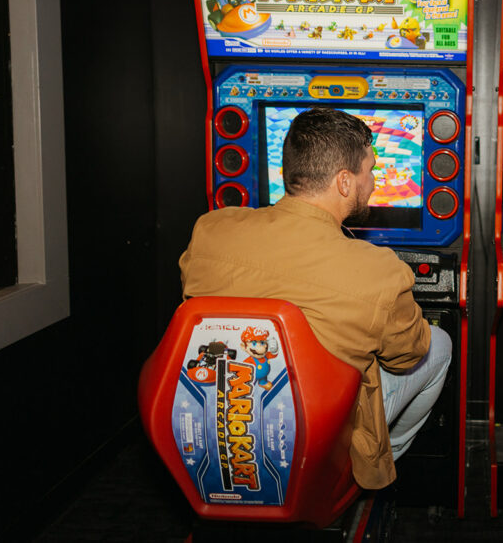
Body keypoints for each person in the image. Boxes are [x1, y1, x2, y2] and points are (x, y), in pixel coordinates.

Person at [179, 107, 451, 490]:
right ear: (344, 182)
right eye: (369, 171)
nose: (373, 183)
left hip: (216, 423)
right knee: (437, 344)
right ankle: (379, 456)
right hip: (312, 435)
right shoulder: (379, 270)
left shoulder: (210, 230)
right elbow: (407, 354)